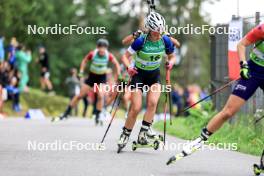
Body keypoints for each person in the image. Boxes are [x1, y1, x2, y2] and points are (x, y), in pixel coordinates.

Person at [168, 23, 264, 163]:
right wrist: (243, 65)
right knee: (228, 112)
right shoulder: (262, 29)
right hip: (253, 71)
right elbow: (241, 44)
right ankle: (200, 140)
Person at [117, 11, 176, 152]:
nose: (158, 33)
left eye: (160, 30)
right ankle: (125, 133)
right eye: (155, 30)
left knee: (153, 103)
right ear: (149, 28)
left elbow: (172, 57)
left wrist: (171, 63)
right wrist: (129, 67)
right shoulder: (141, 40)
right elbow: (124, 56)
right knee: (136, 107)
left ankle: (143, 134)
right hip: (138, 75)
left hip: (154, 76)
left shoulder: (165, 40)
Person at [52, 38, 121, 125]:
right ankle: (66, 113)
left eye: (104, 48)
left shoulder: (109, 55)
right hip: (92, 77)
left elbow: (117, 64)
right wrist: (81, 71)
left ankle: (98, 115)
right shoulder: (93, 53)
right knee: (80, 95)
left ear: (106, 48)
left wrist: (119, 73)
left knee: (100, 95)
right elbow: (84, 61)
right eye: (101, 48)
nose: (102, 50)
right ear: (97, 47)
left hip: (101, 78)